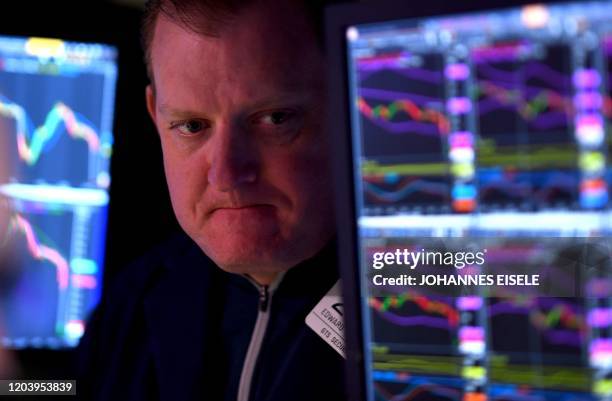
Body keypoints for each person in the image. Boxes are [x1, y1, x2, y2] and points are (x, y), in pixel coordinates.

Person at [76, 0, 347, 400]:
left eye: (275, 119)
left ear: (348, 98)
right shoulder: (135, 298)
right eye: (191, 126)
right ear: (155, 116)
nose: (225, 176)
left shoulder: (428, 304)